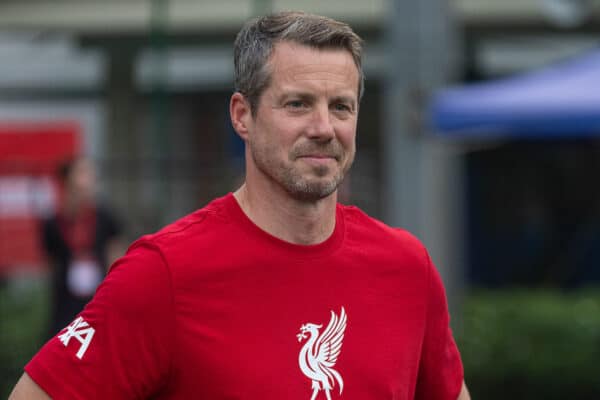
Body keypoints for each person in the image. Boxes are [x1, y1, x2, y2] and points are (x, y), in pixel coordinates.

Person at [10, 11, 470, 400]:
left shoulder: (407, 267)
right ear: (241, 115)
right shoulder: (164, 273)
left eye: (342, 107)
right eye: (297, 104)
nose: (323, 127)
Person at [41, 157, 125, 336]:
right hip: (65, 302)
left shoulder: (105, 217)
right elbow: (51, 263)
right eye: (82, 173)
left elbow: (116, 257)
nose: (89, 180)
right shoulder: (53, 222)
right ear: (67, 180)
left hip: (98, 297)